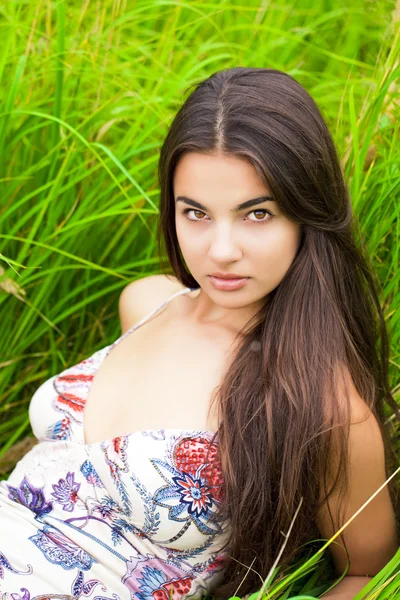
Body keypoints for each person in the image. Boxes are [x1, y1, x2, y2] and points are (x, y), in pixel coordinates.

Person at [0, 67, 398, 600]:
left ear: (307, 214)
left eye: (257, 213)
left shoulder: (325, 405)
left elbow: (365, 572)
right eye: (196, 213)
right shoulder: (147, 301)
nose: (221, 250)